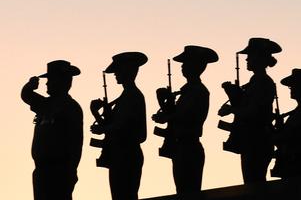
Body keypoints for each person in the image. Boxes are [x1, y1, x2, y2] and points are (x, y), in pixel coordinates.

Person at [152, 45, 218, 194]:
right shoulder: (186, 91)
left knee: (188, 191)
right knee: (182, 190)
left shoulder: (198, 91)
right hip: (181, 146)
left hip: (189, 147)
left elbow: (187, 115)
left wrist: (167, 116)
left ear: (197, 66)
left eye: (186, 63)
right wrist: (164, 105)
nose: (182, 66)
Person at [218, 37, 281, 183]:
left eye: (250, 56)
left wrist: (232, 109)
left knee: (255, 184)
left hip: (258, 140)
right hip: (252, 140)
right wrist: (234, 96)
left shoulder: (263, 82)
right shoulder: (255, 82)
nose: (247, 59)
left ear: (259, 58)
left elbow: (253, 112)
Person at [21, 60, 83, 200]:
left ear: (63, 81)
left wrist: (71, 171)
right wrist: (29, 86)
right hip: (41, 171)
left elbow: (76, 143)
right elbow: (26, 95)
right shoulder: (46, 104)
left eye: (51, 79)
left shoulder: (71, 108)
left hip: (59, 172)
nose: (47, 83)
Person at [91, 52, 147, 200]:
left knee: (125, 195)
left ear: (129, 71)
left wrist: (103, 127)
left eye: (118, 71)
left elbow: (123, 126)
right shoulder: (125, 97)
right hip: (119, 154)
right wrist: (95, 113)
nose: (115, 74)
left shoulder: (133, 96)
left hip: (127, 154)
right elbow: (113, 127)